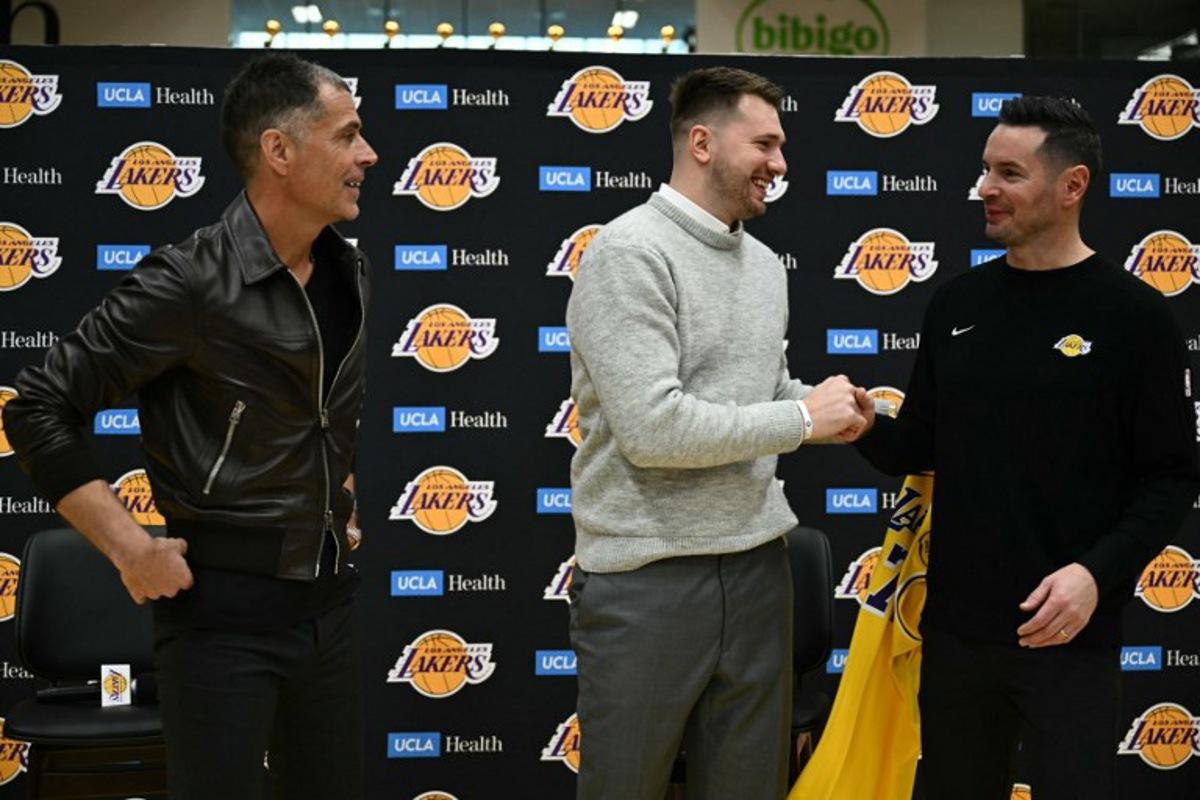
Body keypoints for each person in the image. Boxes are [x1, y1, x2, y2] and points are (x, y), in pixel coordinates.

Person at [3, 54, 378, 799]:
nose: (367, 155)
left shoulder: (347, 269)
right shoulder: (190, 281)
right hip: (220, 627)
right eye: (347, 136)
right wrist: (131, 550)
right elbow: (36, 406)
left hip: (327, 614)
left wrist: (337, 489)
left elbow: (313, 412)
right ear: (279, 150)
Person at [846, 96, 1200, 800]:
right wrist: (863, 424)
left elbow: (1170, 477)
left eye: (1008, 173)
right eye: (984, 170)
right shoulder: (956, 305)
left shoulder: (1136, 317)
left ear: (1072, 187)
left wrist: (1094, 577)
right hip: (956, 635)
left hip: (1071, 636)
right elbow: (919, 445)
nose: (985, 189)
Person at [564, 66, 867, 800]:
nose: (781, 164)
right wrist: (800, 418)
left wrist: (839, 410)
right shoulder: (629, 252)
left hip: (760, 568)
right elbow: (653, 428)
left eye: (782, 145)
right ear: (702, 142)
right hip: (649, 577)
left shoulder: (764, 266)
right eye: (764, 143)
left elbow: (758, 395)